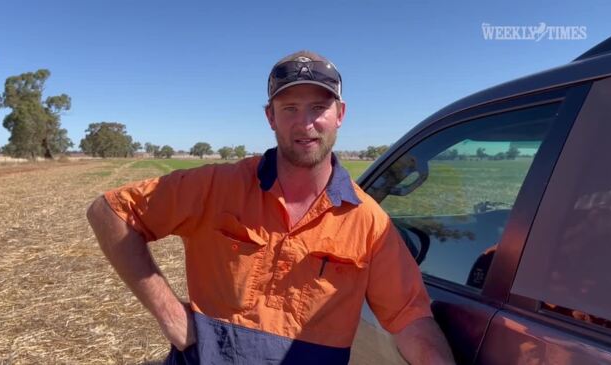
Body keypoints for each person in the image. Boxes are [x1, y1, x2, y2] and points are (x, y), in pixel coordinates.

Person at [86, 50, 455, 364]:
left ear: (340, 114)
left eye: (319, 107)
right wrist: (168, 313)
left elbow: (410, 320)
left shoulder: (368, 222)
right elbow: (109, 212)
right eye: (290, 107)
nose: (305, 123)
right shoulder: (218, 186)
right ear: (270, 117)